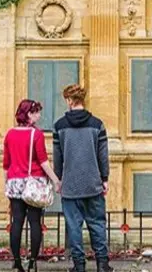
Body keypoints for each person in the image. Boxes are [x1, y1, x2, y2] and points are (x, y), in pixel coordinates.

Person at [53, 85, 113, 272]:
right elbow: (103, 155)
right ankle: (102, 264)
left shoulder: (59, 126)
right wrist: (104, 178)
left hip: (70, 185)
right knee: (97, 223)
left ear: (69, 101)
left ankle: (79, 265)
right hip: (93, 183)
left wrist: (59, 179)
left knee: (74, 226)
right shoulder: (97, 124)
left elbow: (58, 157)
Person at [3, 99, 61, 272]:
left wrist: (6, 184)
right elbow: (43, 161)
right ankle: (33, 261)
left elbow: (6, 163)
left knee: (17, 222)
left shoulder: (9, 134)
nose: (39, 115)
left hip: (14, 181)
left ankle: (16, 262)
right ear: (29, 114)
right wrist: (56, 180)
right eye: (36, 112)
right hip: (33, 182)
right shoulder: (36, 135)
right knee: (34, 222)